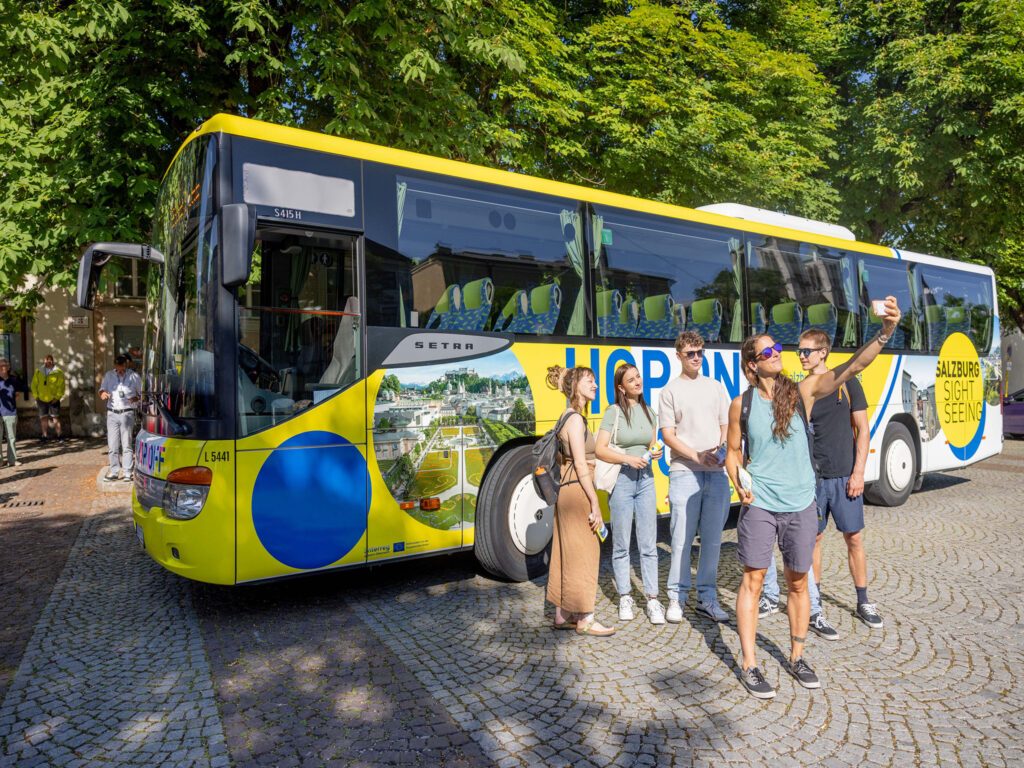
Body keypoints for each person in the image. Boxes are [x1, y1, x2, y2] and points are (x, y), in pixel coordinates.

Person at [725, 296, 900, 699]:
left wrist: (886, 332)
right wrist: (739, 482)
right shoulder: (743, 404)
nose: (778, 354)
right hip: (762, 505)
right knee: (752, 582)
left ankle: (797, 655)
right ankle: (750, 664)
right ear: (753, 364)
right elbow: (733, 452)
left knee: (799, 583)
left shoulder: (802, 392)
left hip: (802, 503)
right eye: (768, 350)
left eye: (777, 348)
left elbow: (853, 367)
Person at [759, 328, 882, 635]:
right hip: (814, 478)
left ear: (823, 353)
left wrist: (858, 472)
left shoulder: (846, 384)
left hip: (844, 475)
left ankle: (863, 599)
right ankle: (814, 607)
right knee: (813, 540)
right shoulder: (801, 389)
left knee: (853, 537)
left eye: (806, 351)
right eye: (799, 351)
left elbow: (863, 430)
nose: (801, 356)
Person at [659, 331, 732, 623]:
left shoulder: (715, 387)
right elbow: (667, 435)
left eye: (700, 352)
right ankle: (676, 598)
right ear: (678, 356)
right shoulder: (670, 391)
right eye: (690, 353)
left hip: (716, 472)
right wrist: (696, 456)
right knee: (681, 539)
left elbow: (726, 423)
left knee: (713, 540)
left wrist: (724, 449)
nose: (697, 357)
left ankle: (707, 598)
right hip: (684, 471)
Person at [546, 364, 616, 637]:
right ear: (576, 387)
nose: (595, 385)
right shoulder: (574, 419)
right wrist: (595, 504)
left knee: (566, 552)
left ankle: (562, 614)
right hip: (577, 490)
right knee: (587, 552)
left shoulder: (566, 417)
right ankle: (585, 617)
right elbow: (580, 464)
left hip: (567, 488)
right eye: (590, 381)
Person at [596, 363, 664, 624]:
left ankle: (653, 599)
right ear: (621, 387)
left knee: (649, 544)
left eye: (638, 377)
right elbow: (601, 449)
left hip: (646, 480)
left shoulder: (651, 412)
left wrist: (654, 453)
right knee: (622, 544)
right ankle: (625, 595)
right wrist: (627, 459)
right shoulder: (613, 412)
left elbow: (650, 446)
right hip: (622, 481)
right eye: (631, 379)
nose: (637, 381)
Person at [100, 354, 142, 482]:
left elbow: (142, 394)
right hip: (112, 413)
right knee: (113, 445)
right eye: (118, 368)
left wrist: (136, 398)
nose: (120, 371)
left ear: (126, 365)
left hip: (127, 413)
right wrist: (103, 394)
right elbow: (101, 390)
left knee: (127, 444)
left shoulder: (134, 376)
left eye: (122, 368)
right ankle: (114, 471)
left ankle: (127, 472)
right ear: (115, 366)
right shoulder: (109, 375)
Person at [31, 354, 65, 442]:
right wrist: (36, 396)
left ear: (52, 361)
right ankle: (44, 436)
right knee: (43, 418)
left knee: (56, 418)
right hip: (41, 399)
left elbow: (61, 386)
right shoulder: (38, 371)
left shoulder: (58, 372)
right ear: (44, 361)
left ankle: (59, 436)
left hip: (54, 400)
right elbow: (34, 385)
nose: (48, 362)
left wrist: (57, 397)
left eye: (50, 360)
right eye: (46, 360)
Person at [0, 359, 28, 468]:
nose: (3, 367)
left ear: (8, 367)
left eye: (5, 365)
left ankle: (12, 460)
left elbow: (24, 388)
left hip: (10, 412)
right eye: (1, 365)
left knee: (11, 438)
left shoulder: (13, 380)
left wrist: (17, 392)